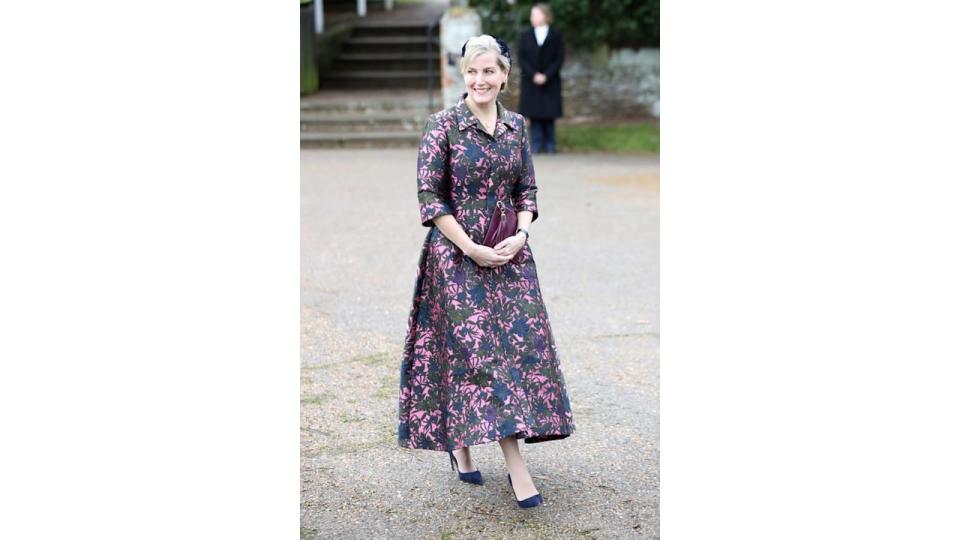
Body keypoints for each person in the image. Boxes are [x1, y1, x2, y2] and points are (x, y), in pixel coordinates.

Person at [397, 34, 575, 509]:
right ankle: (516, 468)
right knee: (477, 355)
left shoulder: (517, 126)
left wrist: (522, 233)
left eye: (489, 72)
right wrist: (471, 247)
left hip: (511, 256)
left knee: (517, 352)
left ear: (504, 76)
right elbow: (430, 199)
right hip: (456, 256)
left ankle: (463, 446)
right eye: (472, 72)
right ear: (463, 75)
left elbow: (527, 190)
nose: (480, 80)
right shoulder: (443, 126)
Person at [517, 3, 565, 154]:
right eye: (532, 15)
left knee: (549, 113)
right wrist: (534, 75)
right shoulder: (525, 36)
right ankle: (537, 144)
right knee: (534, 113)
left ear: (545, 16)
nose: (532, 18)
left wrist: (546, 75)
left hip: (550, 81)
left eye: (535, 14)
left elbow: (559, 58)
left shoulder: (556, 35)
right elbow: (521, 58)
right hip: (531, 81)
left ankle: (550, 144)